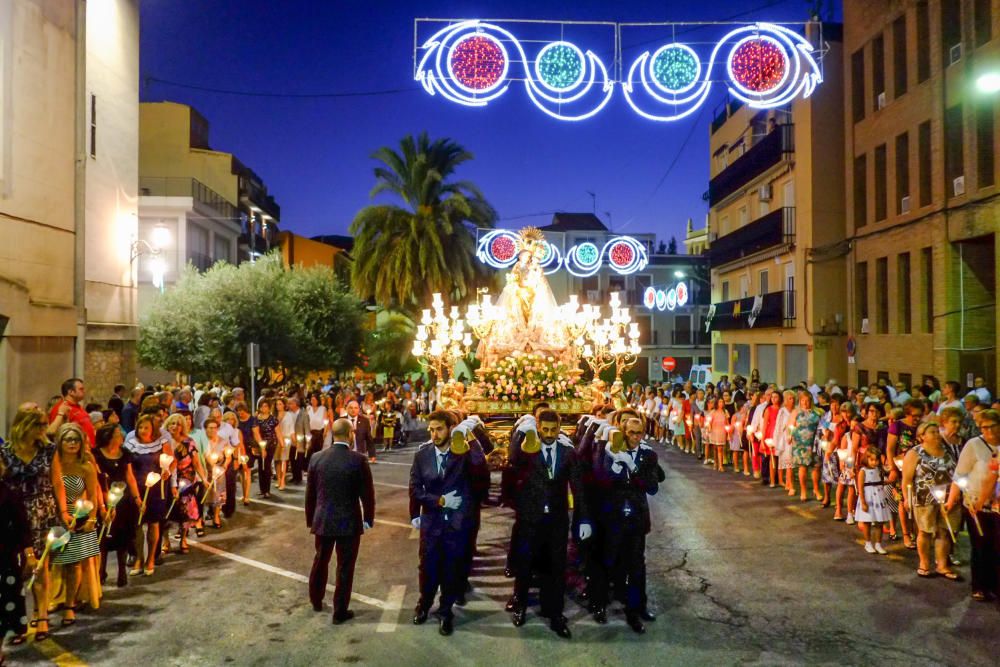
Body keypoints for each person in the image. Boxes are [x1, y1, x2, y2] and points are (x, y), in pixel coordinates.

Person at [507, 410, 591, 639]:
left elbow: (578, 488)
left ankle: (554, 613)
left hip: (557, 519)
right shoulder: (528, 449)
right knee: (525, 563)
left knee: (555, 567)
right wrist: (521, 442)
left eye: (553, 430)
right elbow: (511, 468)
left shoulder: (567, 453)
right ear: (537, 427)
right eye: (544, 429)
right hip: (530, 518)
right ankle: (521, 605)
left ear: (559, 428)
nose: (549, 434)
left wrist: (583, 518)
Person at [409, 411, 487, 636]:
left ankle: (445, 612)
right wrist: (438, 501)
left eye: (439, 429)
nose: (434, 434)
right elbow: (415, 489)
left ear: (450, 429)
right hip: (432, 522)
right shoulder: (422, 454)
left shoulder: (461, 451)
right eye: (431, 430)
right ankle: (424, 605)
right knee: (428, 567)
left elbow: (481, 472)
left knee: (452, 568)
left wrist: (469, 437)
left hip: (456, 523)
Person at [590, 417, 663, 633]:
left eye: (639, 433)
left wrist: (633, 468)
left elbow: (652, 487)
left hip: (636, 518)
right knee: (607, 561)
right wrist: (613, 464)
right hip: (613, 516)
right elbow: (601, 481)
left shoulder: (649, 455)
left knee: (637, 566)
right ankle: (599, 605)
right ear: (623, 431)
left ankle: (636, 609)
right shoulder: (610, 450)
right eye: (631, 432)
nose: (635, 437)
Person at [305, 418, 375, 624]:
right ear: (350, 434)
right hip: (349, 521)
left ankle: (316, 599)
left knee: (320, 560)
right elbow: (367, 493)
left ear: (332, 434)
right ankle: (339, 611)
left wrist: (311, 519)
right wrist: (368, 518)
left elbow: (311, 494)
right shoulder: (358, 460)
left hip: (323, 519)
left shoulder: (317, 458)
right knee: (345, 566)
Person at [1, 407, 60, 644]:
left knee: (40, 566)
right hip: (13, 514)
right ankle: (19, 622)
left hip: (42, 510)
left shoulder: (47, 450)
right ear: (26, 426)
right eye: (40, 425)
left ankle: (42, 615)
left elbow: (56, 481)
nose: (44, 429)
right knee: (15, 570)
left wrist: (64, 512)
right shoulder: (5, 451)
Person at [946, 409, 1000, 602]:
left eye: (991, 426)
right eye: (983, 427)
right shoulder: (974, 445)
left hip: (997, 506)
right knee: (980, 545)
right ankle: (979, 586)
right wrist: (952, 500)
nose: (987, 431)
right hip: (976, 502)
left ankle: (994, 585)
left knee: (996, 547)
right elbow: (960, 474)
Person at [52, 423, 103, 624]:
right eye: (68, 439)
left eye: (76, 440)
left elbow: (93, 495)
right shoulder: (52, 465)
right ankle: (54, 599)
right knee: (55, 564)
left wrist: (91, 518)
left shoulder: (86, 466)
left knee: (73, 563)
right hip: (55, 517)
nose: (72, 443)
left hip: (79, 516)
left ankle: (70, 605)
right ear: (60, 442)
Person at [903, 422, 962, 579]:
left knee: (945, 531)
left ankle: (942, 565)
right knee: (925, 530)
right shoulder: (915, 453)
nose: (937, 435)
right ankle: (924, 563)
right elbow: (907, 478)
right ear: (922, 436)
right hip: (925, 498)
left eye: (938, 431)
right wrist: (906, 498)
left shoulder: (948, 450)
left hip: (948, 498)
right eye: (932, 432)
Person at [125, 414, 172, 577]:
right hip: (136, 488)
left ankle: (151, 558)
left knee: (153, 523)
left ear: (153, 429)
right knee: (137, 524)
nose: (143, 430)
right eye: (141, 427)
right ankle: (139, 557)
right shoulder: (130, 443)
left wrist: (167, 471)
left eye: (147, 427)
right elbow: (127, 468)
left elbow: (169, 462)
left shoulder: (161, 443)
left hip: (155, 488)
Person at [93, 424, 140, 587]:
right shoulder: (96, 454)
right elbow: (96, 479)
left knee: (123, 537)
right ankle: (101, 571)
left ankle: (121, 571)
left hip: (123, 501)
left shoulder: (124, 453)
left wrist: (137, 497)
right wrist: (104, 503)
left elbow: (130, 476)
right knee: (103, 538)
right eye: (118, 434)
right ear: (109, 437)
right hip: (104, 498)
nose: (121, 436)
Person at [0, 457, 32, 664]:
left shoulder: (9, 492)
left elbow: (22, 526)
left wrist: (29, 555)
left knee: (3, 604)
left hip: (4, 557)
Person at [164, 415, 206, 553]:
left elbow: (196, 463)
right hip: (166, 480)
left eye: (178, 424)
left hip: (185, 481)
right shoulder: (163, 442)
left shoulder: (189, 442)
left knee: (185, 511)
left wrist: (204, 478)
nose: (175, 426)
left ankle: (183, 539)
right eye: (172, 423)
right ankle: (166, 541)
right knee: (165, 512)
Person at [853, 445, 890, 555]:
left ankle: (878, 544)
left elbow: (882, 480)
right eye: (872, 460)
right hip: (868, 496)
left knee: (879, 522)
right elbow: (860, 487)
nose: (874, 462)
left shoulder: (879, 469)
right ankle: (868, 542)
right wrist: (863, 502)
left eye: (876, 460)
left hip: (879, 496)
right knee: (867, 521)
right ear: (866, 459)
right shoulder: (863, 471)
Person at [48, 378, 96, 448]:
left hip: (88, 449)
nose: (84, 391)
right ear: (71, 392)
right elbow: (55, 433)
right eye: (81, 389)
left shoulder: (79, 407)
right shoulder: (61, 408)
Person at [287, 397, 311, 484]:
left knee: (299, 459)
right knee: (292, 459)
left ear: (296, 404)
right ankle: (294, 476)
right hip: (290, 440)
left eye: (290, 403)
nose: (288, 405)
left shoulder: (303, 414)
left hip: (300, 440)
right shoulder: (288, 414)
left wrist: (308, 441)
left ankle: (298, 477)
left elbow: (307, 428)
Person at [276, 398, 295, 491]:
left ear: (284, 405)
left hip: (286, 439)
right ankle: (279, 479)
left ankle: (283, 480)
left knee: (284, 460)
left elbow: (292, 428)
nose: (278, 406)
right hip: (276, 440)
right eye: (277, 404)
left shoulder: (289, 415)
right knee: (277, 460)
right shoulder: (274, 416)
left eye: (280, 404)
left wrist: (294, 439)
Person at [307, 394, 327, 461]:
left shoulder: (322, 409)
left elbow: (325, 421)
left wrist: (325, 432)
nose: (313, 401)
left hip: (319, 432)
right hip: (310, 432)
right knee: (310, 450)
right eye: (312, 400)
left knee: (318, 450)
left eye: (314, 400)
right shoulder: (308, 408)